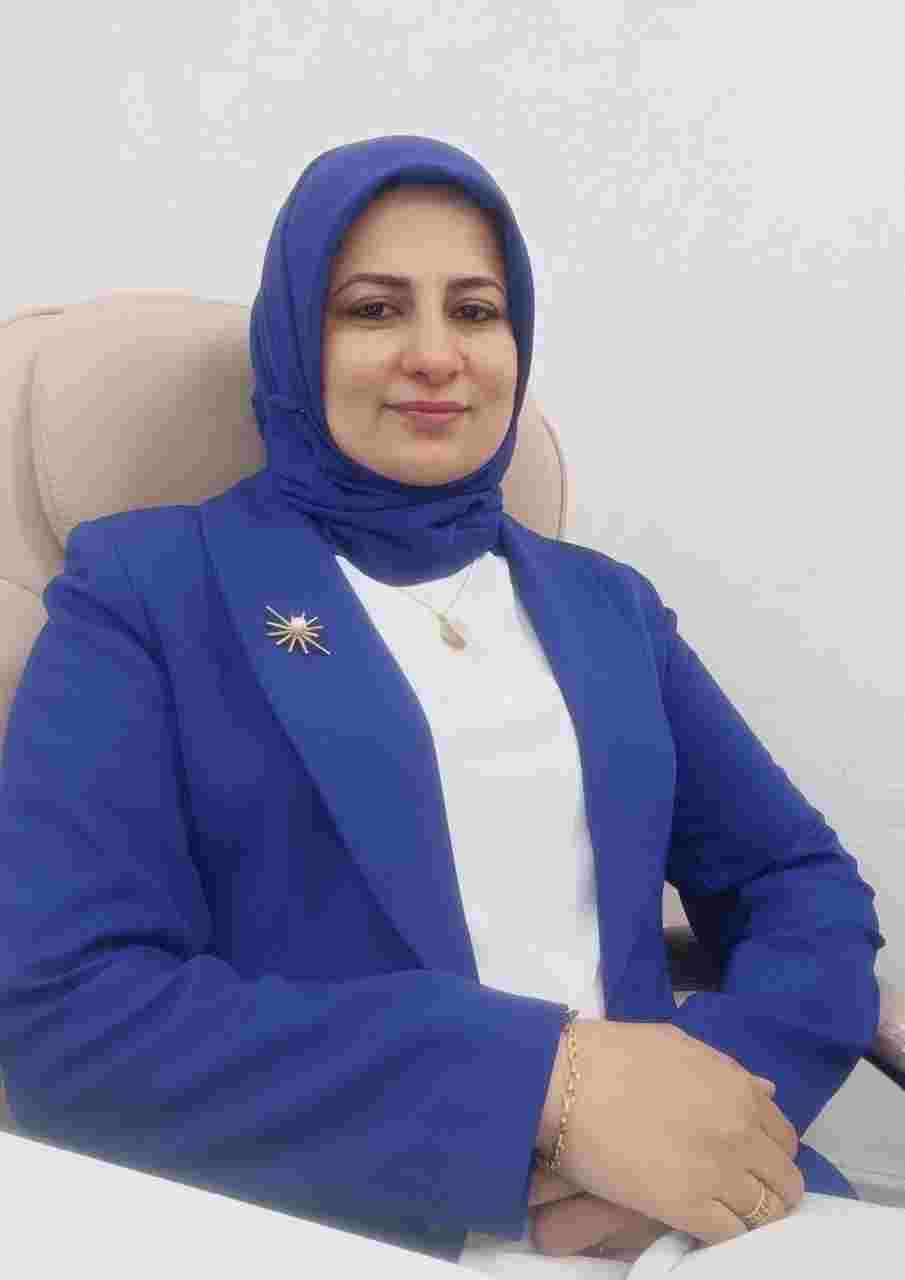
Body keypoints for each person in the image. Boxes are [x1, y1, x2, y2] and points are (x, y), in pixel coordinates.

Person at [0, 135, 886, 1275]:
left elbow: (798, 882)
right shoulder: (146, 589)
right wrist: (543, 1088)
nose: (435, 356)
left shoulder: (606, 608)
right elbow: (65, 1008)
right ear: (296, 341)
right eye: (373, 310)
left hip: (675, 1217)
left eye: (474, 311)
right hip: (350, 1212)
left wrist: (705, 1107)